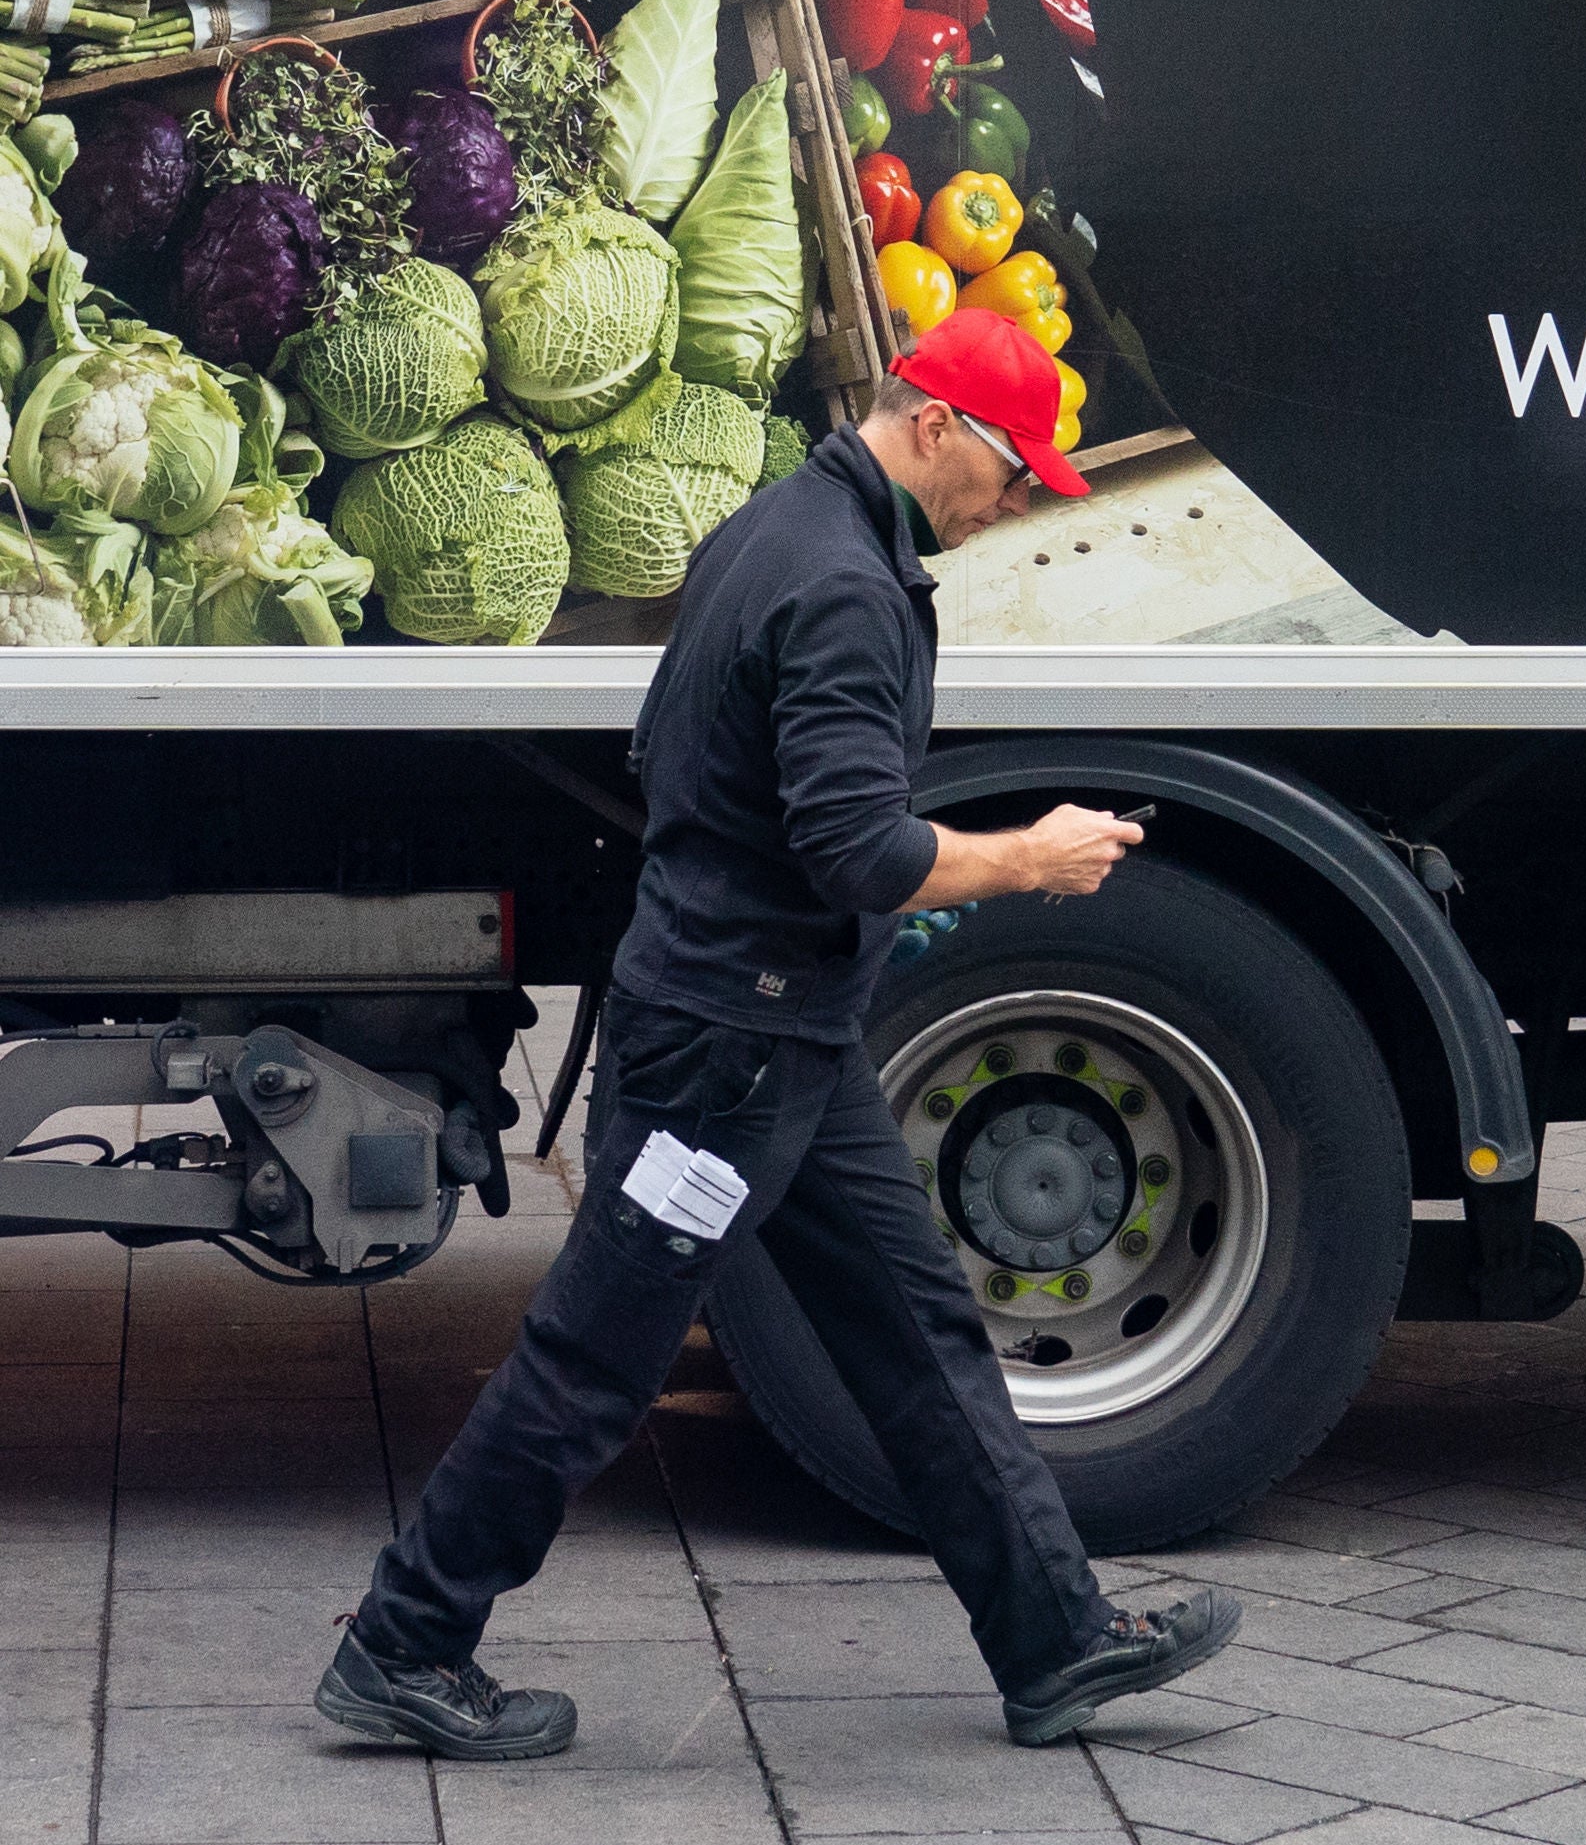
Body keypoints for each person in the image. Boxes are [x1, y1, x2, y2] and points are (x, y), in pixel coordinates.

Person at [318, 311, 1239, 1760]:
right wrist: (1028, 858)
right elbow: (857, 847)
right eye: (1009, 470)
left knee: (919, 1333)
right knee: (595, 1357)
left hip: (771, 1033)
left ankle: (1055, 1644)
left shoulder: (783, 523)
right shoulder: (845, 587)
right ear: (933, 422)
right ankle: (405, 1640)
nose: (1013, 502)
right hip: (725, 1054)